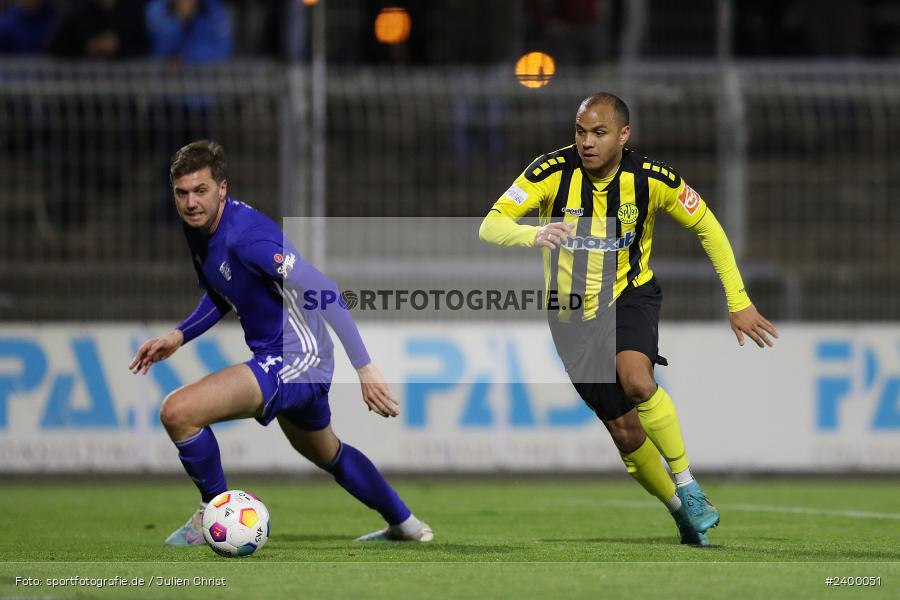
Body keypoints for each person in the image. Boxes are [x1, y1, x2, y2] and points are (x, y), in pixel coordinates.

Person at [479, 93, 777, 546]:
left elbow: (707, 226)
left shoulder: (652, 179)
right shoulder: (548, 172)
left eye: (598, 132)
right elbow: (491, 224)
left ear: (623, 135)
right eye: (580, 131)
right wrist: (534, 232)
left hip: (628, 295)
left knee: (637, 379)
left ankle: (688, 485)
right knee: (625, 431)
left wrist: (737, 300)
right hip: (570, 317)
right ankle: (681, 513)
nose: (587, 142)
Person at [130, 140, 433, 546]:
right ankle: (407, 526)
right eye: (181, 193)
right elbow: (224, 289)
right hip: (287, 358)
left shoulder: (246, 240)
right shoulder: (202, 230)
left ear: (223, 188)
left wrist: (364, 366)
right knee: (328, 453)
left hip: (296, 358)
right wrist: (179, 334)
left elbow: (322, 287)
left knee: (178, 412)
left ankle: (212, 514)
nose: (190, 202)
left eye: (200, 191)